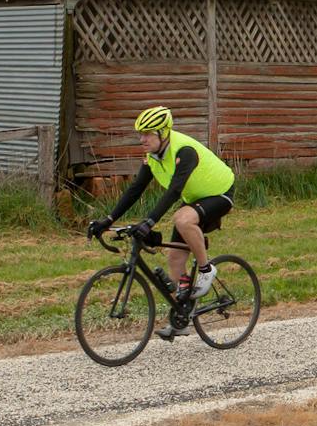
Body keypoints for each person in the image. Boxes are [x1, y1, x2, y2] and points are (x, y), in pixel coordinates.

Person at [89, 106, 236, 332]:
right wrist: (107, 220)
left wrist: (149, 222)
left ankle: (207, 270)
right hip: (196, 197)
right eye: (140, 134)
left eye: (148, 134)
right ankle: (182, 316)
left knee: (183, 219)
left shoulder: (184, 151)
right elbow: (135, 190)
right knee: (175, 259)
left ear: (163, 133)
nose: (142, 139)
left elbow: (174, 191)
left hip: (220, 193)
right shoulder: (153, 157)